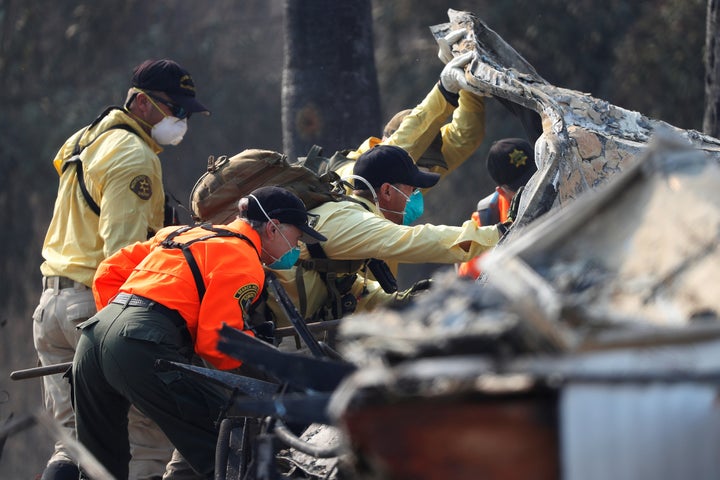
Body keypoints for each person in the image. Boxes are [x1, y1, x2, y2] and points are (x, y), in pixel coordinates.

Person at [32, 58, 209, 480]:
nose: (181, 120)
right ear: (142, 103)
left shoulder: (86, 139)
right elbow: (122, 256)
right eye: (176, 109)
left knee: (75, 445)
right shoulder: (133, 156)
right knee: (144, 440)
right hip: (92, 306)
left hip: (51, 309)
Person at [72, 186, 326, 479]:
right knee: (231, 454)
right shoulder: (244, 261)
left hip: (93, 338)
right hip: (140, 343)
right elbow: (216, 344)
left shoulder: (181, 234)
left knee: (99, 469)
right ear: (273, 228)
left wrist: (118, 335)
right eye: (296, 239)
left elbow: (108, 272)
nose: (297, 249)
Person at [267, 144, 505, 331]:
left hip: (290, 322)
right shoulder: (354, 222)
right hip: (277, 332)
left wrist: (398, 300)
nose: (414, 197)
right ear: (387, 191)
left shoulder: (349, 213)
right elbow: (416, 240)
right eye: (412, 190)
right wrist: (497, 235)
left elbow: (345, 285)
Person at [458, 138, 537, 279]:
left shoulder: (565, 183)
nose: (533, 189)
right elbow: (470, 281)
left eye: (535, 178)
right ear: (502, 192)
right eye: (521, 189)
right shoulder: (485, 223)